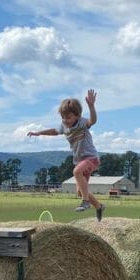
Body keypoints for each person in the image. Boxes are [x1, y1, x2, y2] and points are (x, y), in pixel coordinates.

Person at [28, 88, 104, 221]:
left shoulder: (82, 122)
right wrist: (38, 133)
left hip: (91, 158)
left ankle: (85, 202)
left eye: (68, 117)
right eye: (63, 117)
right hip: (80, 161)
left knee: (76, 172)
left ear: (77, 115)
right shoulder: (64, 126)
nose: (65, 120)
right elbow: (54, 131)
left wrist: (91, 106)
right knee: (80, 191)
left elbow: (93, 120)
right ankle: (99, 206)